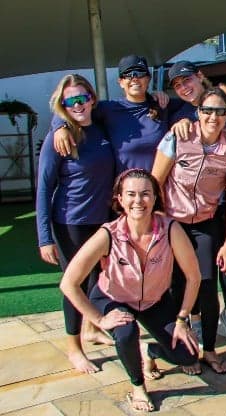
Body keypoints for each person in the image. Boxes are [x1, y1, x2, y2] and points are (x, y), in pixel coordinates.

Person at [59, 169, 201, 413]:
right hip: (114, 298)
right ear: (120, 199)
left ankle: (151, 351)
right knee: (126, 333)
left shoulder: (170, 229)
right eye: (131, 194)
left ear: (156, 198)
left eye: (146, 194)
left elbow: (193, 276)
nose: (139, 201)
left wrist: (181, 319)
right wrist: (99, 319)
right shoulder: (108, 234)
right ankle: (138, 385)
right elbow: (69, 283)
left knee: (188, 355)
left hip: (154, 300)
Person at [151, 88, 226, 375]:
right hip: (172, 223)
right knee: (176, 286)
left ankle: (209, 350)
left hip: (205, 223)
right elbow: (155, 183)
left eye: (220, 111)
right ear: (198, 112)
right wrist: (155, 227)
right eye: (207, 110)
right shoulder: (177, 137)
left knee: (206, 284)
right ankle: (179, 347)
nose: (213, 117)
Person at [36, 74, 115, 374]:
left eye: (83, 98)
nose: (78, 105)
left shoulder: (102, 125)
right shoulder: (61, 137)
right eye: (71, 101)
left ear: (93, 99)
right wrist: (44, 237)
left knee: (98, 280)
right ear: (63, 105)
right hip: (70, 222)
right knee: (75, 284)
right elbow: (44, 188)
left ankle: (92, 328)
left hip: (102, 221)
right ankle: (74, 347)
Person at [167, 60, 226, 345]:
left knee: (222, 269)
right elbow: (158, 176)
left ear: (201, 77)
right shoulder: (178, 121)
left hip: (218, 207)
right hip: (179, 214)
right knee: (183, 278)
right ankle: (192, 322)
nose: (183, 87)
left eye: (187, 80)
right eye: (177, 85)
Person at [53, 55, 168, 174]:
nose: (134, 78)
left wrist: (182, 121)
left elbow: (186, 108)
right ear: (120, 82)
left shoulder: (162, 105)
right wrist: (59, 126)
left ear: (148, 78)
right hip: (125, 189)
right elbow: (75, 109)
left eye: (139, 73)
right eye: (127, 74)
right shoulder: (109, 109)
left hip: (159, 189)